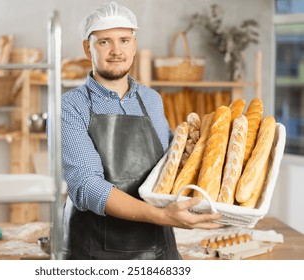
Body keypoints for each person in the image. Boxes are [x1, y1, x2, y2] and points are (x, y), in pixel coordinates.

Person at [61, 1, 222, 260]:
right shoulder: (69, 107)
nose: (116, 51)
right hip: (94, 253)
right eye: (104, 42)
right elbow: (87, 186)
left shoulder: (151, 100)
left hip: (158, 248)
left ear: (134, 45)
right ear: (86, 47)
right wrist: (162, 216)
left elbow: (171, 166)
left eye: (124, 40)